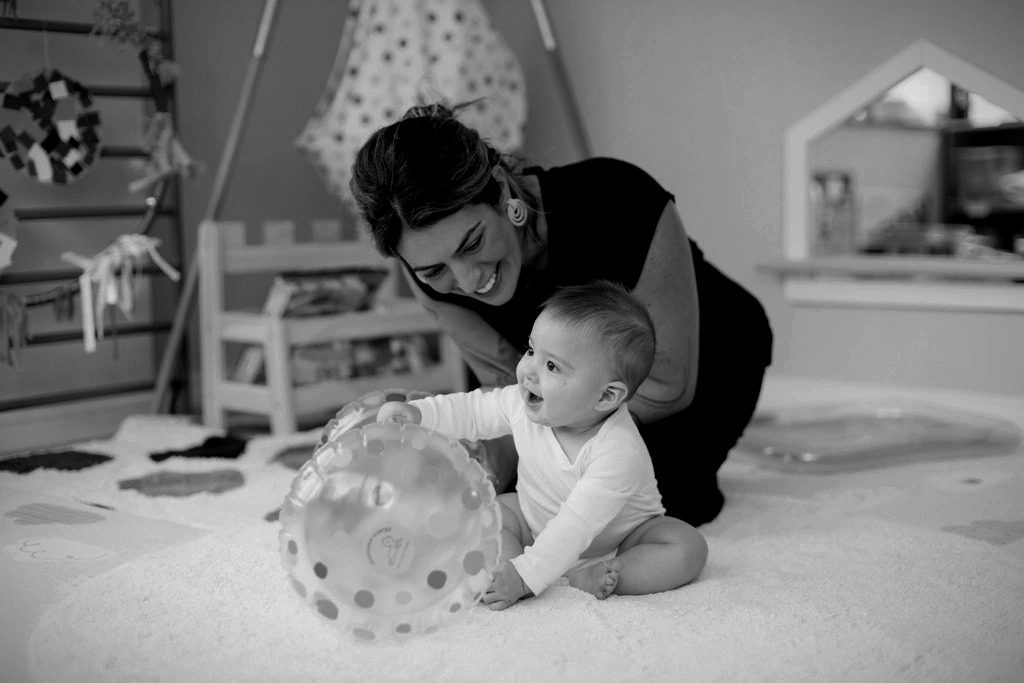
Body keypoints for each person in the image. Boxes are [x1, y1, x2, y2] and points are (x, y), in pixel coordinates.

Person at [350, 101, 773, 526]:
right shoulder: (428, 277)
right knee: (511, 509)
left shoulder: (619, 197)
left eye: (472, 243)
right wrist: (463, 465)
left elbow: (667, 386)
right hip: (569, 398)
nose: (466, 279)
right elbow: (506, 386)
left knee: (645, 512)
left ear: (499, 190)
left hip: (702, 366)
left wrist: (545, 437)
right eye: (434, 269)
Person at [377, 280, 708, 610]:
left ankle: (609, 574)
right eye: (532, 350)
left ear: (606, 396)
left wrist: (528, 575)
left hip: (622, 537)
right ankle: (500, 569)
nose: (528, 372)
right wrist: (418, 415)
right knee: (489, 511)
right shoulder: (524, 404)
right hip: (533, 518)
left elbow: (577, 524)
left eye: (552, 366)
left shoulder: (618, 451)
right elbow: (474, 410)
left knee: (686, 547)